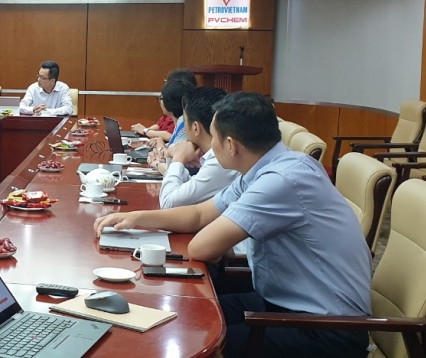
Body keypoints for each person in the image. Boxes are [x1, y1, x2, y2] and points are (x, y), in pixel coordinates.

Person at [94, 92, 371, 358]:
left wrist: (215, 243)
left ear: (231, 145)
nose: (208, 147)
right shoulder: (267, 167)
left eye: (213, 138)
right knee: (182, 314)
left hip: (326, 330)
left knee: (196, 339)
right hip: (283, 304)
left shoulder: (282, 180)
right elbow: (200, 215)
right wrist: (137, 218)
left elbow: (201, 247)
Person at [158, 87, 238, 209]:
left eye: (185, 121)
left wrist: (177, 159)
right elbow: (185, 190)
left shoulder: (219, 162)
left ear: (196, 127)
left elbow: (167, 203)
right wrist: (173, 157)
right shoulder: (214, 156)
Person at [133, 68, 197, 141]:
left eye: (161, 98)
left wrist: (145, 131)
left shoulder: (183, 120)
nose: (160, 101)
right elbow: (160, 125)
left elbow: (172, 138)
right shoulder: (179, 119)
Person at [147, 79, 196, 171]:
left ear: (170, 101)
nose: (160, 102)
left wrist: (157, 159)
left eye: (161, 98)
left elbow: (175, 166)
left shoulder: (185, 124)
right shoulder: (180, 121)